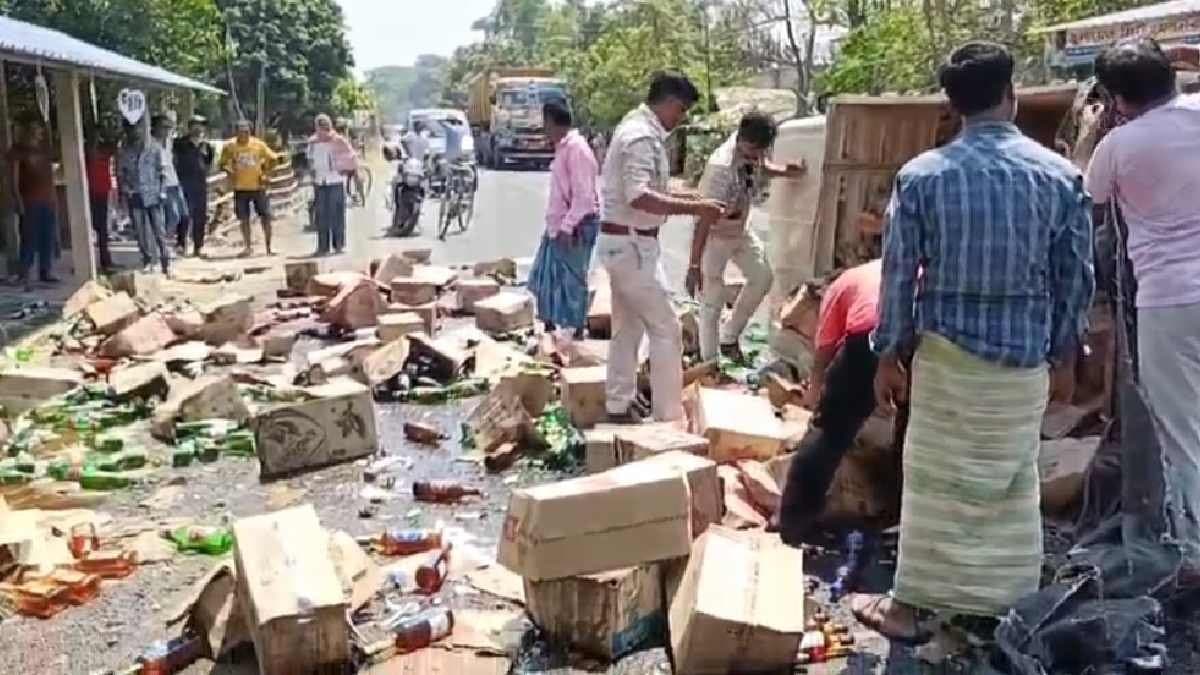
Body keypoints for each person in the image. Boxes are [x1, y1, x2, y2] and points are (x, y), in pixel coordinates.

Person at [852, 42, 1094, 640]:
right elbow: (1076, 276)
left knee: (935, 484)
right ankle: (1003, 604)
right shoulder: (1060, 176)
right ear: (1010, 96)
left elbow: (900, 271)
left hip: (947, 358)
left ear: (953, 106)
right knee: (1011, 483)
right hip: (1023, 361)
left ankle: (909, 610)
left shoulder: (922, 176)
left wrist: (888, 352)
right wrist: (1066, 352)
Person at [1086, 38, 1200, 573]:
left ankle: (1195, 553)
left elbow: (1090, 194)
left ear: (1116, 98)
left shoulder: (1118, 144)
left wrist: (1102, 123)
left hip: (1169, 302)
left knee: (1184, 433)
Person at [596, 71, 725, 423]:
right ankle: (668, 418)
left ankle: (619, 403)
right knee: (666, 329)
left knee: (630, 328)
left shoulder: (639, 130)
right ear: (668, 102)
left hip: (627, 244)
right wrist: (695, 208)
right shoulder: (640, 136)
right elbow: (639, 196)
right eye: (680, 110)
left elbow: (653, 190)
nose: (680, 119)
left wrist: (694, 197)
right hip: (631, 246)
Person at [776, 260, 900, 542]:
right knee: (911, 438)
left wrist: (816, 396)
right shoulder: (900, 262)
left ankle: (792, 522)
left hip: (872, 334)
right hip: (926, 336)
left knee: (828, 433)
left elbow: (824, 352)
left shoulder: (840, 287)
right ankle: (896, 518)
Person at [689, 112, 805, 361]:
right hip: (715, 234)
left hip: (740, 229)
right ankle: (709, 362)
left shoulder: (753, 152)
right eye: (754, 151)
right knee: (712, 298)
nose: (758, 157)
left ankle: (729, 337)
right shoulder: (721, 168)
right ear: (742, 140)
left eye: (762, 151)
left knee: (762, 277)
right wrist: (694, 262)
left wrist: (785, 171)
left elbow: (761, 169)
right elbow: (703, 217)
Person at [528, 101, 601, 347]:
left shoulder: (576, 150)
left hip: (575, 225)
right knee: (544, 277)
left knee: (571, 281)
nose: (543, 129)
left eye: (545, 123)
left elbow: (584, 196)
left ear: (552, 122)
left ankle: (575, 331)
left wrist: (568, 227)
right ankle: (550, 327)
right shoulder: (563, 148)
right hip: (558, 224)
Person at [9, 118, 59, 287]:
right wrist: (18, 200)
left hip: (47, 199)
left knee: (47, 237)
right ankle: (24, 272)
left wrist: (53, 198)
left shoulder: (45, 150)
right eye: (34, 128)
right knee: (29, 238)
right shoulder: (19, 152)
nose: (37, 132)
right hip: (30, 200)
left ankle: (45, 271)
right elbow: (14, 180)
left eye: (38, 129)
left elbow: (52, 174)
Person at [219, 120, 279, 256]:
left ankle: (269, 247)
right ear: (236, 132)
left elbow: (274, 159)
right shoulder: (230, 146)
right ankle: (247, 247)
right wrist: (230, 172)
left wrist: (266, 174)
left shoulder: (258, 145)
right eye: (240, 131)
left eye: (246, 131)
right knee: (243, 218)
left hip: (258, 186)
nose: (243, 134)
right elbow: (222, 163)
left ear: (250, 132)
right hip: (240, 187)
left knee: (266, 217)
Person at [117, 122, 170, 275]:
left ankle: (165, 261)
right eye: (131, 130)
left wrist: (162, 191)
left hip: (153, 194)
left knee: (159, 230)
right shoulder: (125, 151)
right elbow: (121, 173)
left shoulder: (154, 148)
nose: (135, 133)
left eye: (137, 129)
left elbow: (163, 171)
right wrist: (125, 190)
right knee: (140, 231)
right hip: (135, 194)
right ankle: (147, 260)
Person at [308, 113, 356, 256]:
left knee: (337, 214)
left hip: (335, 180)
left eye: (324, 125)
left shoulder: (339, 140)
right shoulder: (313, 142)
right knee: (321, 215)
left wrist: (345, 169)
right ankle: (323, 247)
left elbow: (351, 157)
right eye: (319, 125)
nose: (322, 129)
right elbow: (310, 160)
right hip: (320, 181)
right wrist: (312, 174)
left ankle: (339, 245)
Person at [173, 116, 214, 258]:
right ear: (189, 127)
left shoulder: (207, 146)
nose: (198, 128)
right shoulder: (179, 144)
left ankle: (198, 247)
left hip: (200, 185)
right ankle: (181, 244)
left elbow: (208, 164)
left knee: (200, 216)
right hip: (184, 183)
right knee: (184, 215)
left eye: (201, 125)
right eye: (195, 125)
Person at [151, 116, 189, 258]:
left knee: (184, 215)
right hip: (164, 185)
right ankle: (163, 246)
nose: (166, 130)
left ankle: (174, 244)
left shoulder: (169, 143)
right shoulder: (152, 145)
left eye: (168, 127)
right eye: (163, 127)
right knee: (172, 216)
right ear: (155, 128)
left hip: (175, 183)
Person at [85, 132, 116, 271]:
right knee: (92, 228)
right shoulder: (87, 156)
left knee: (103, 229)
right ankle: (89, 261)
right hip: (90, 194)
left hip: (103, 194)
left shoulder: (105, 153)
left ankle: (105, 260)